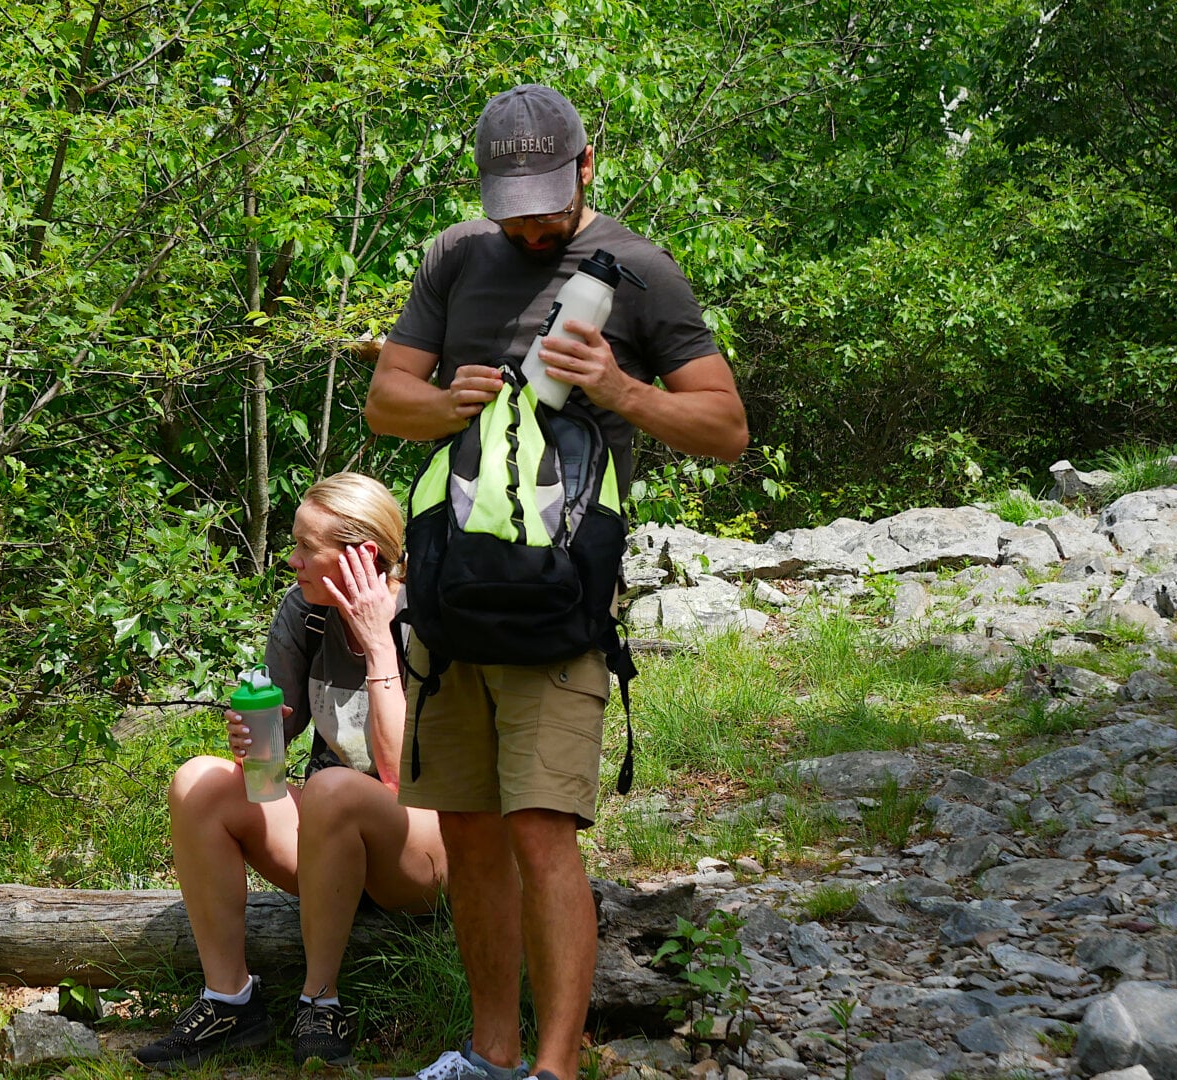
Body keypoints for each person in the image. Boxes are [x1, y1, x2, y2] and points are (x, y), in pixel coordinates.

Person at [362, 85, 748, 1080]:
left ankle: (556, 1068)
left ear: (587, 166)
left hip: (561, 603)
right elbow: (383, 404)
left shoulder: (643, 271)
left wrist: (618, 389)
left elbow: (726, 429)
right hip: (450, 602)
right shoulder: (455, 258)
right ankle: (488, 1056)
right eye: (510, 205)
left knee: (541, 836)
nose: (529, 223)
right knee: (473, 840)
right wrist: (448, 399)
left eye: (545, 199)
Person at [133, 472, 448, 1071]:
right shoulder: (305, 612)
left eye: (307, 547)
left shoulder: (426, 618)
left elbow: (396, 769)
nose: (293, 560)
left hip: (425, 849)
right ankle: (230, 1001)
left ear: (362, 556)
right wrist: (255, 733)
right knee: (198, 782)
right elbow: (279, 748)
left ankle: (320, 1000)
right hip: (334, 838)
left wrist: (380, 644)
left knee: (334, 787)